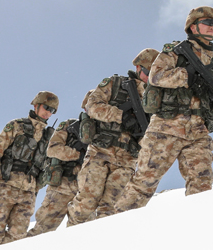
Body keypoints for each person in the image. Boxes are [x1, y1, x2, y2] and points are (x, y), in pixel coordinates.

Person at [115, 7, 213, 210]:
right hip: (166, 127)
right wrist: (188, 76)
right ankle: (111, 230)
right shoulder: (175, 52)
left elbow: (209, 104)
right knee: (144, 183)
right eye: (208, 22)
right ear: (192, 26)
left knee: (202, 183)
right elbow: (156, 77)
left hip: (197, 131)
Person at [67, 48, 158, 225]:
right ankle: (68, 243)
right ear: (139, 68)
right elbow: (92, 106)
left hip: (127, 161)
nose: (150, 77)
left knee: (111, 210)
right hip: (100, 152)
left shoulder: (155, 97)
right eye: (148, 71)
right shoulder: (115, 83)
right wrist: (120, 116)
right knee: (85, 203)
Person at [0, 92, 57, 250]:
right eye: (46, 107)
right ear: (36, 106)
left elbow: (46, 165)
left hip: (28, 192)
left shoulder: (49, 137)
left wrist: (36, 189)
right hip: (5, 186)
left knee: (18, 236)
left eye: (52, 110)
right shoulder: (16, 125)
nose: (48, 112)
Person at [26, 116, 87, 236]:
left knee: (83, 231)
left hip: (85, 188)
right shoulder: (70, 125)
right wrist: (78, 154)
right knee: (42, 230)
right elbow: (53, 150)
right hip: (61, 185)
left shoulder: (102, 129)